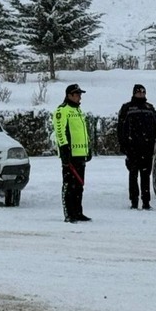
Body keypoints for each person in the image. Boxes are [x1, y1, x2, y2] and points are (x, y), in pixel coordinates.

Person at [117, 84, 156, 210]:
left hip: (147, 146)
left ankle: (146, 201)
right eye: (138, 92)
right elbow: (121, 128)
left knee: (145, 175)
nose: (141, 94)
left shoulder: (149, 108)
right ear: (134, 93)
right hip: (132, 147)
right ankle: (134, 200)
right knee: (133, 174)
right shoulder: (127, 108)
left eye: (143, 92)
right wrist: (123, 144)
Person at [53, 83, 92, 223]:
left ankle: (78, 212)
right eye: (77, 94)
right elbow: (60, 130)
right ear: (69, 95)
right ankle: (69, 214)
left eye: (80, 94)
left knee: (79, 185)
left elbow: (83, 131)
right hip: (70, 154)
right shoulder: (62, 110)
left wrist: (88, 147)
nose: (79, 97)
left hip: (80, 153)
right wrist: (64, 149)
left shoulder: (78, 110)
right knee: (69, 185)